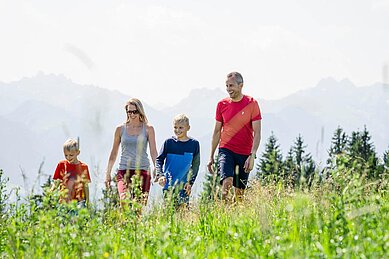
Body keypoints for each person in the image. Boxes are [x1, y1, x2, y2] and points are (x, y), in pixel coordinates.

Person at [207, 72, 262, 202]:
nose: (228, 89)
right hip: (226, 150)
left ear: (241, 85)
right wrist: (211, 156)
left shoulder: (252, 104)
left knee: (239, 196)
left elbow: (257, 133)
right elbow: (216, 132)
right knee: (227, 182)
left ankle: (233, 215)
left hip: (244, 153)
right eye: (226, 86)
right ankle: (223, 212)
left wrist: (252, 155)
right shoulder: (222, 105)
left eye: (231, 85)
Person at [105, 98, 158, 206]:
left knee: (138, 206)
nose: (132, 114)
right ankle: (124, 223)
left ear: (140, 112)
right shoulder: (120, 129)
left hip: (143, 170)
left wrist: (157, 167)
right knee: (124, 200)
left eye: (135, 112)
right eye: (129, 112)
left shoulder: (148, 129)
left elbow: (153, 151)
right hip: (124, 170)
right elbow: (114, 152)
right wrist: (108, 173)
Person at [155, 114, 200, 207]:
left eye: (181, 128)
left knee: (183, 214)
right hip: (169, 185)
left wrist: (190, 182)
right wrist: (160, 175)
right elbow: (159, 160)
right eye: (175, 127)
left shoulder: (194, 144)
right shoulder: (168, 143)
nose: (177, 130)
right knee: (169, 212)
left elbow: (195, 166)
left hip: (184, 186)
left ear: (188, 128)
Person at [53, 138, 91, 207]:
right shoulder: (61, 165)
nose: (68, 157)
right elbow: (57, 182)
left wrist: (88, 200)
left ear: (78, 153)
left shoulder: (83, 167)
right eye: (66, 155)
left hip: (79, 202)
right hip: (64, 201)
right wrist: (51, 191)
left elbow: (85, 185)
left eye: (71, 155)